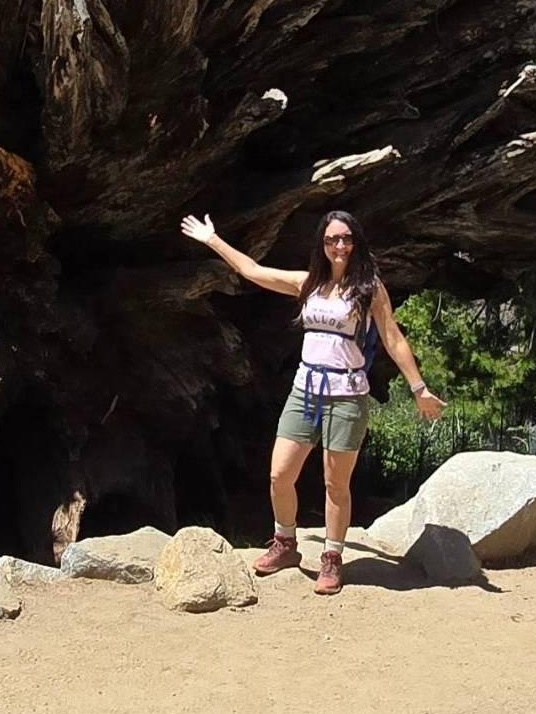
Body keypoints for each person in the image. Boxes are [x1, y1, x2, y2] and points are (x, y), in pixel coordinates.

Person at [180, 206, 446, 594]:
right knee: (279, 474)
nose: (339, 246)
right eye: (331, 240)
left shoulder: (369, 288)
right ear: (321, 245)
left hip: (347, 397)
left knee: (335, 484)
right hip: (305, 392)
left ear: (355, 243)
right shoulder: (308, 284)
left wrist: (419, 388)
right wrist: (212, 240)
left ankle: (332, 558)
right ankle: (286, 543)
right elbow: (253, 272)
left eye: (345, 238)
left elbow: (392, 337)